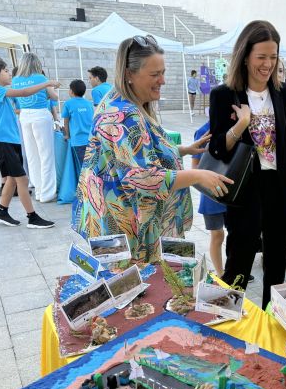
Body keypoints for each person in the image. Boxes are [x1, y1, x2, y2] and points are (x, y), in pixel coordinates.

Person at [74, 35, 230, 263]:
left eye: (163, 72)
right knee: (144, 292)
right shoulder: (124, 115)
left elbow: (133, 154)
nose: (163, 81)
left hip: (131, 227)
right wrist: (198, 175)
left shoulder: (123, 100)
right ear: (129, 74)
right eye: (155, 75)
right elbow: (143, 178)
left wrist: (181, 150)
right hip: (130, 235)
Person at [208, 20, 286, 308]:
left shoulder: (284, 93)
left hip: (281, 190)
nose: (267, 64)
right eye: (261, 57)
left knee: (277, 272)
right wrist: (241, 124)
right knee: (237, 268)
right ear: (245, 56)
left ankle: (271, 332)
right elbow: (217, 147)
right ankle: (228, 330)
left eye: (273, 57)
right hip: (244, 193)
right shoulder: (224, 95)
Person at [0, 56, 56, 228]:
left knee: (12, 180)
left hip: (9, 141)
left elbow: (15, 107)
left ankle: (2, 211)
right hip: (3, 141)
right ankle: (32, 217)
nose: (9, 74)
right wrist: (46, 84)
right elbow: (23, 93)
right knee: (22, 179)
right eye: (6, 71)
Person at [12, 52, 59, 203]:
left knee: (32, 156)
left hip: (24, 117)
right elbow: (54, 97)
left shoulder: (16, 80)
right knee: (46, 156)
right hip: (41, 116)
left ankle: (38, 191)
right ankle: (47, 193)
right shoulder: (41, 78)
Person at [62, 79, 94, 178]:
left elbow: (66, 122)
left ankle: (84, 190)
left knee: (81, 168)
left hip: (77, 142)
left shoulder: (68, 104)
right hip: (90, 140)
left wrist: (67, 135)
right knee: (91, 166)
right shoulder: (89, 104)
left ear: (71, 91)